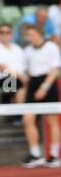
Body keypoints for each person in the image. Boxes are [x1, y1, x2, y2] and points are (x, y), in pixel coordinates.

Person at [21, 24, 61, 168]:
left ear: (39, 34)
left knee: (52, 120)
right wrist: (15, 90)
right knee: (27, 119)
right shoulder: (27, 51)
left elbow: (54, 70)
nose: (30, 38)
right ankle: (35, 153)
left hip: (48, 83)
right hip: (33, 83)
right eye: (28, 35)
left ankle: (54, 155)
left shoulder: (51, 47)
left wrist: (44, 87)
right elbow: (22, 71)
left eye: (32, 34)